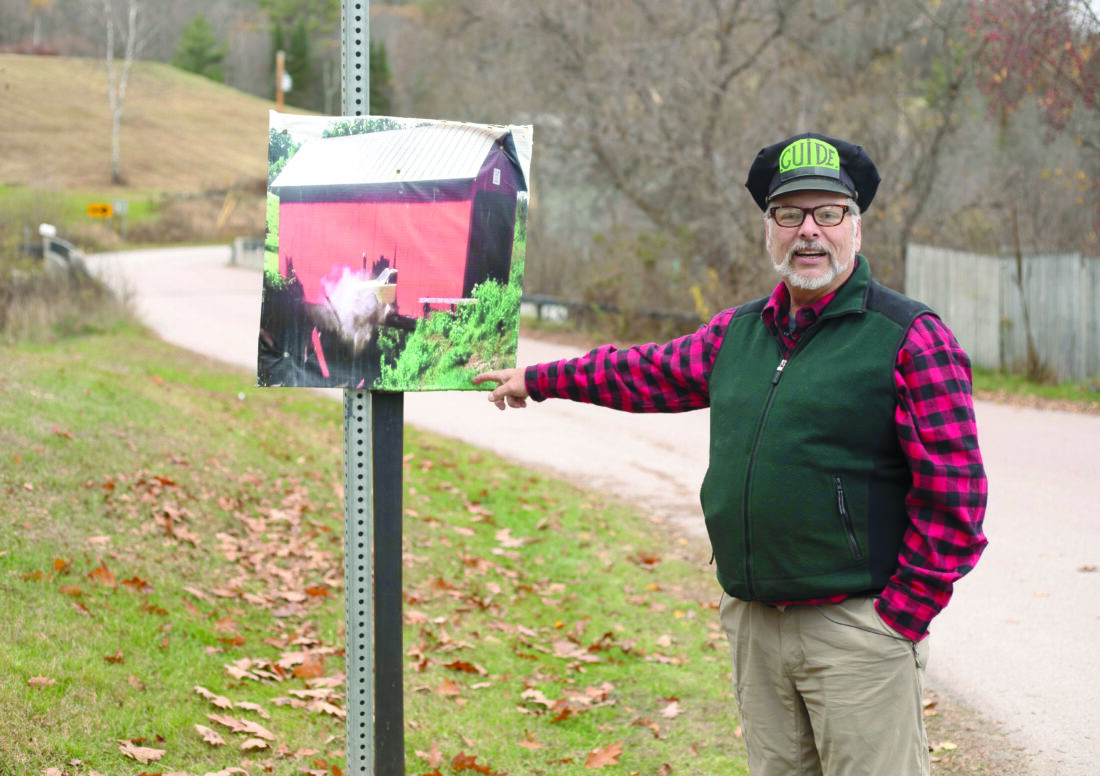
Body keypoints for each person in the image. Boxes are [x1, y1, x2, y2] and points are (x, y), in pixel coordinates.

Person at [473, 131, 988, 776]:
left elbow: (957, 500)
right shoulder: (739, 333)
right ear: (769, 230)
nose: (808, 231)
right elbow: (644, 372)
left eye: (828, 213)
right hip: (755, 626)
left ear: (855, 228)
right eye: (788, 214)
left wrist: (897, 619)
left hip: (858, 633)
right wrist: (539, 379)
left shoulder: (910, 337)